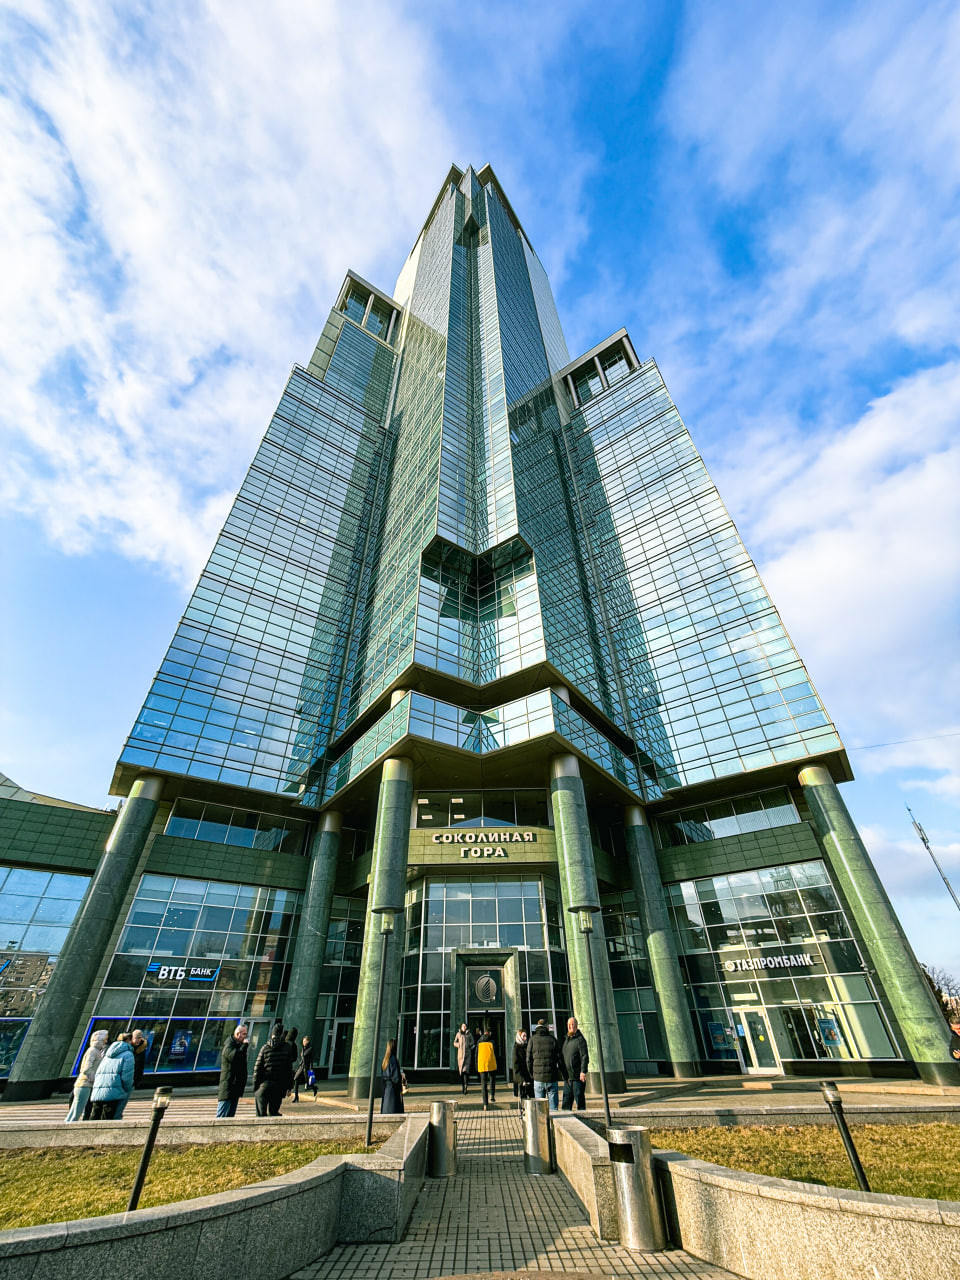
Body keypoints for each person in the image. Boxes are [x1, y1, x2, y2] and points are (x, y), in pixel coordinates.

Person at [65, 1028, 108, 1122]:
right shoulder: (93, 1051)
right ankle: (69, 1127)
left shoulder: (95, 1051)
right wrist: (94, 1079)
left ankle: (66, 1125)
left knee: (74, 1110)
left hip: (84, 1084)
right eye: (104, 1039)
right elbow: (87, 1068)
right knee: (77, 1111)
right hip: (85, 1084)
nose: (106, 1041)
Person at [89, 1033, 135, 1120]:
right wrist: (128, 1088)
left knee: (95, 1116)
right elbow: (127, 1076)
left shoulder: (108, 1053)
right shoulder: (128, 1054)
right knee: (109, 1118)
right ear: (129, 1040)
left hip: (99, 1088)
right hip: (114, 1090)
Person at [253, 1020, 293, 1116]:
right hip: (279, 1085)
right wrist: (289, 1087)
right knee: (274, 1114)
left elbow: (257, 1068)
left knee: (260, 1115)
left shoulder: (265, 1048)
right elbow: (289, 1070)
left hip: (265, 1085)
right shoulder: (287, 1048)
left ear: (272, 1035)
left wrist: (256, 1085)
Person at [526, 1018, 561, 1110]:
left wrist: (532, 1074)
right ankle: (553, 1119)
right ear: (546, 1026)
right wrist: (563, 1075)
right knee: (553, 1109)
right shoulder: (552, 1040)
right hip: (551, 1078)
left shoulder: (532, 1040)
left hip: (538, 1078)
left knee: (539, 1109)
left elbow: (528, 1060)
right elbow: (559, 1059)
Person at [216, 1023, 249, 1117]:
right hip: (228, 1087)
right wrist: (244, 1046)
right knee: (222, 1114)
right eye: (244, 1034)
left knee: (230, 1116)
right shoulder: (229, 1046)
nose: (245, 1037)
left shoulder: (238, 1045)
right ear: (238, 1034)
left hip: (235, 1087)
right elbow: (236, 1057)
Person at [561, 1016, 589, 1111]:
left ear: (576, 1026)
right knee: (566, 1103)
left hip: (577, 1077)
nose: (570, 1026)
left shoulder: (580, 1040)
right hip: (568, 1078)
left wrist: (583, 1071)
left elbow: (584, 1056)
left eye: (572, 1024)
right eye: (569, 1025)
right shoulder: (566, 1040)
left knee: (579, 1101)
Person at [476, 1023, 497, 1110]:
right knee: (492, 1079)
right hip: (491, 1063)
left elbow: (476, 1054)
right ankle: (492, 1095)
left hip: (482, 1064)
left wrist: (476, 1065)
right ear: (490, 1033)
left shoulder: (479, 1041)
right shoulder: (492, 1041)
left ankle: (485, 1104)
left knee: (483, 1084)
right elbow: (495, 1052)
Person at [381, 1038, 404, 1114]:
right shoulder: (393, 1059)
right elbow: (395, 1077)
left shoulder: (385, 1060)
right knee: (393, 1109)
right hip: (393, 1090)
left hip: (387, 1088)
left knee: (386, 1107)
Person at [512, 1029, 532, 1105]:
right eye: (523, 1036)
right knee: (523, 1100)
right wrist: (521, 1080)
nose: (525, 1038)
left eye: (526, 1036)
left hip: (529, 1077)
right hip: (522, 1079)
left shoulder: (527, 1046)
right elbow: (515, 1065)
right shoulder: (516, 1048)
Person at [292, 1035, 315, 1102]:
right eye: (303, 1041)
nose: (303, 1042)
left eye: (305, 1041)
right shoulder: (303, 1048)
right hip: (301, 1067)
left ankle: (314, 1089)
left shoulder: (310, 1049)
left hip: (306, 1068)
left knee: (309, 1082)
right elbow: (302, 1058)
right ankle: (296, 1097)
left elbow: (311, 1060)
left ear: (308, 1041)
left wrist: (311, 1069)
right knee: (296, 1079)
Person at [454, 1023, 474, 1095]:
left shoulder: (469, 1034)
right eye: (463, 1026)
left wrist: (469, 1044)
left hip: (467, 1055)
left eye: (465, 1026)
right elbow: (454, 1042)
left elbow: (472, 1042)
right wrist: (458, 1045)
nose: (464, 1027)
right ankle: (463, 1086)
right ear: (461, 1027)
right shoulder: (458, 1034)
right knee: (461, 1072)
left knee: (465, 1070)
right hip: (460, 1055)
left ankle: (466, 1086)